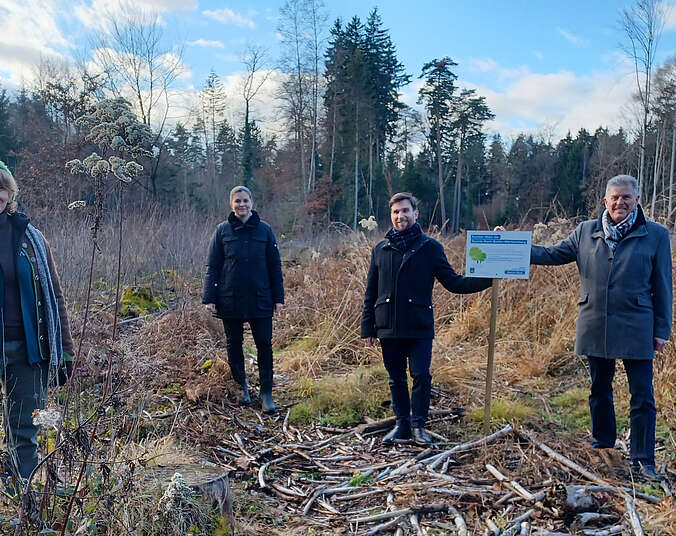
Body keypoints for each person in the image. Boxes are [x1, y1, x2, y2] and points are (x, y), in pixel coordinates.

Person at [530, 174, 672, 481]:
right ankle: (604, 445)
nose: (620, 202)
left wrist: (662, 328)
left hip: (638, 324)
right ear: (605, 201)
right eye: (615, 197)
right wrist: (513, 244)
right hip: (596, 322)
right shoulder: (585, 231)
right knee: (599, 389)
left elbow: (663, 285)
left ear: (636, 201)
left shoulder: (656, 235)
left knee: (642, 394)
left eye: (626, 197)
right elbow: (552, 254)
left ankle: (643, 458)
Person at [361, 192, 492, 446]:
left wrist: (489, 279)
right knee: (395, 377)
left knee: (421, 375)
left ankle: (419, 426)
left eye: (405, 211)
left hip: (419, 325)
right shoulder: (380, 249)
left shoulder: (430, 248)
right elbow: (371, 292)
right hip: (388, 325)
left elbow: (454, 282)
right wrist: (368, 327)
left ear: (415, 213)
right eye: (396, 212)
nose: (401, 216)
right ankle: (401, 425)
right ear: (392, 216)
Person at [0, 161, 74, 481]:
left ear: (9, 192)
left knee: (25, 425)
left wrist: (66, 349)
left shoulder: (31, 237)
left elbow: (54, 294)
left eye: (1, 187)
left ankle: (24, 491)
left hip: (29, 347)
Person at [203, 186, 284, 413]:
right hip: (230, 299)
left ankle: (266, 393)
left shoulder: (265, 231)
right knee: (234, 344)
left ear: (252, 203)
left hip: (261, 299)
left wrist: (278, 298)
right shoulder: (222, 232)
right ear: (231, 204)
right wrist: (210, 297)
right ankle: (243, 389)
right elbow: (213, 267)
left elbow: (274, 266)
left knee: (264, 345)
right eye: (237, 201)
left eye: (245, 200)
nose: (242, 205)